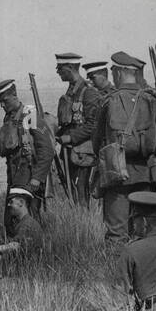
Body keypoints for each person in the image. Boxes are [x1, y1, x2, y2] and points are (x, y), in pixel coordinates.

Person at [94, 51, 156, 246]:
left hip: (117, 174)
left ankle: (117, 273)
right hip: (146, 174)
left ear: (120, 72)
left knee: (116, 233)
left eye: (113, 71)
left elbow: (97, 143)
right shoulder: (152, 100)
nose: (112, 75)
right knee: (143, 231)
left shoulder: (108, 101)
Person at [0, 78, 54, 215]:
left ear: (14, 95)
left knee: (29, 218)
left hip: (29, 177)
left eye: (5, 100)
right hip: (15, 177)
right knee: (12, 221)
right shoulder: (9, 119)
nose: (2, 105)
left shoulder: (30, 115)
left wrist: (37, 178)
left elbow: (47, 150)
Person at [54, 54, 104, 206]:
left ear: (70, 67)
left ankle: (84, 224)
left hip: (83, 153)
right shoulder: (72, 91)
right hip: (71, 152)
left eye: (60, 68)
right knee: (74, 193)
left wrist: (70, 137)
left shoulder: (88, 92)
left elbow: (94, 125)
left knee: (81, 192)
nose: (57, 71)